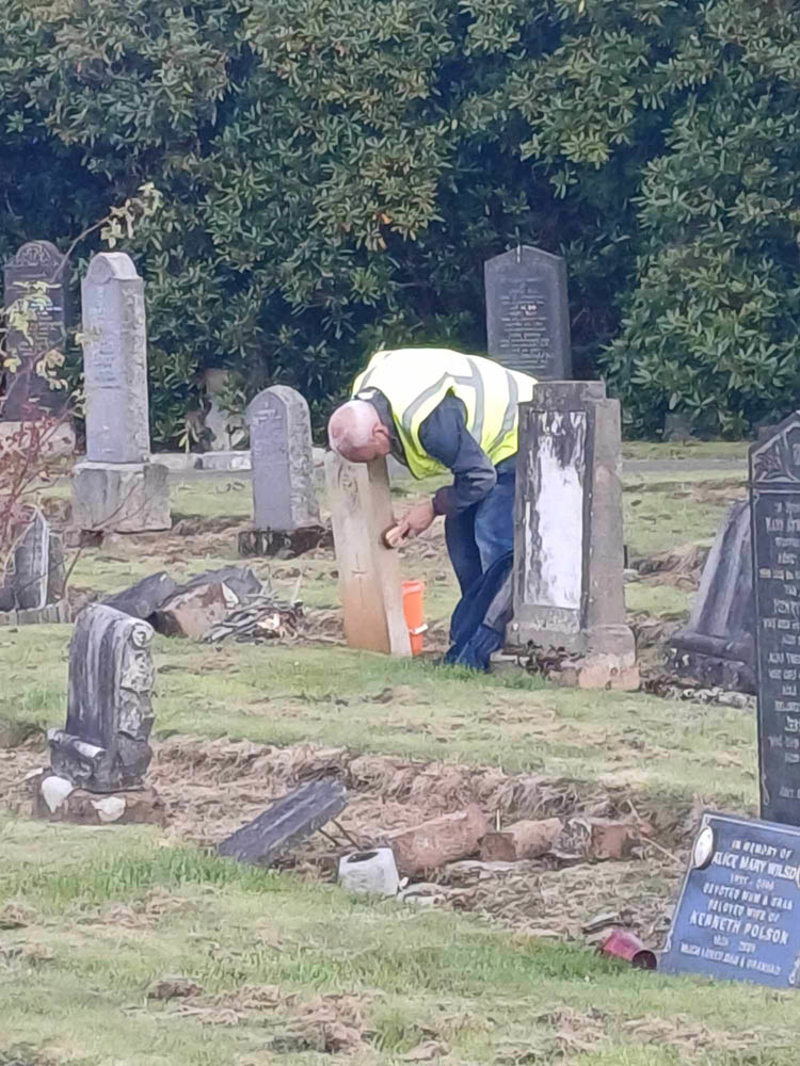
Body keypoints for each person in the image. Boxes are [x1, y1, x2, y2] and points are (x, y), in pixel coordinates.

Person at [327, 347, 537, 669]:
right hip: (483, 453)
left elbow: (480, 477)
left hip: (523, 427)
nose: (379, 460)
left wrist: (433, 507)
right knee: (461, 538)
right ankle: (472, 634)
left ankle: (500, 639)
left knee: (492, 534)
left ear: (379, 431)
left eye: (373, 455)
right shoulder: (366, 398)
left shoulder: (429, 421)